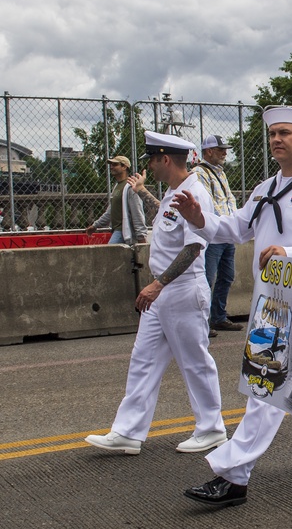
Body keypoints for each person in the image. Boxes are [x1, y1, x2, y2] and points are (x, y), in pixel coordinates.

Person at [172, 107, 292, 509]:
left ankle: (233, 475)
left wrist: (289, 252)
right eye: (273, 133)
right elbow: (234, 229)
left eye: (286, 133)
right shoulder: (264, 188)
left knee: (265, 390)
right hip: (272, 302)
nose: (277, 139)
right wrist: (198, 218)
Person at [85, 133, 227, 455]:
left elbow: (194, 248)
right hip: (162, 294)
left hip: (182, 290)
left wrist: (159, 283)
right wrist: (143, 192)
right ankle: (128, 432)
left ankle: (212, 429)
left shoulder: (194, 192)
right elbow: (165, 218)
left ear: (165, 159)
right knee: (143, 360)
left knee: (194, 361)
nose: (148, 164)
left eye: (151, 159)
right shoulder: (173, 191)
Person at [193, 135, 242, 337]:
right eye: (220, 149)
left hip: (226, 233)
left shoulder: (220, 172)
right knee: (207, 279)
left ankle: (218, 317)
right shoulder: (199, 173)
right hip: (214, 234)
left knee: (226, 276)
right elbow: (208, 203)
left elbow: (228, 200)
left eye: (224, 149)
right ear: (208, 151)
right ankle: (202, 322)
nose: (225, 153)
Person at [85, 155, 148, 245]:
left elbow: (137, 212)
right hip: (118, 231)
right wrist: (95, 225)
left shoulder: (130, 186)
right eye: (111, 164)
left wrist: (141, 238)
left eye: (115, 164)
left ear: (124, 167)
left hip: (124, 231)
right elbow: (110, 212)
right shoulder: (117, 186)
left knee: (109, 256)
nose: (111, 167)